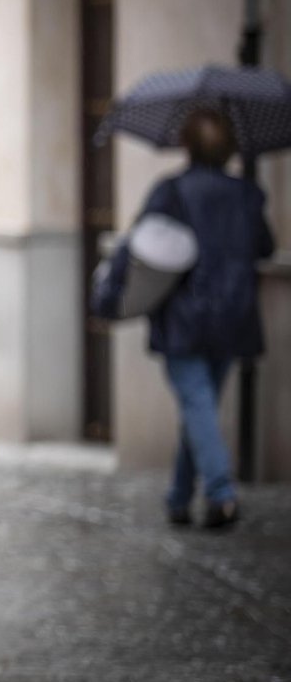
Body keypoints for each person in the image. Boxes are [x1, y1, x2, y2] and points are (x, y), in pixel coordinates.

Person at [96, 107, 275, 529]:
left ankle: (220, 495)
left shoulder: (172, 192)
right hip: (233, 318)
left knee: (199, 406)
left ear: (188, 147)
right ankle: (178, 497)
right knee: (202, 407)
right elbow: (264, 246)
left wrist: (108, 297)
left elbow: (139, 245)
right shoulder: (246, 194)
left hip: (184, 320)